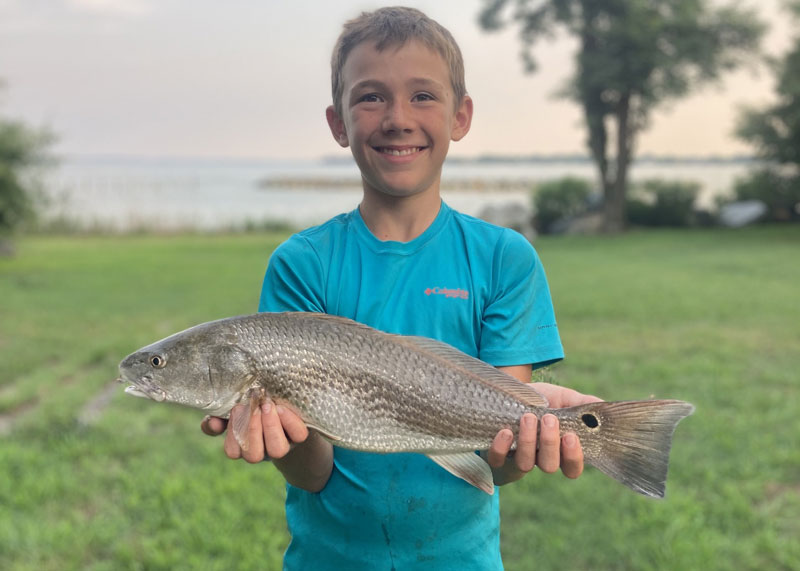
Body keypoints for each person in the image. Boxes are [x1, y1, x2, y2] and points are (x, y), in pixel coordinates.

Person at [202, 6, 600, 569]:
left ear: (460, 116)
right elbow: (312, 474)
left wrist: (531, 443)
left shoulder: (504, 259)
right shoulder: (302, 264)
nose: (397, 119)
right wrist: (282, 438)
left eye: (423, 96)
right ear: (338, 123)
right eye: (370, 97)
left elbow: (495, 461)